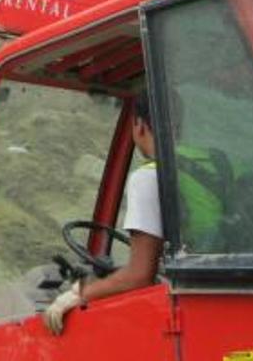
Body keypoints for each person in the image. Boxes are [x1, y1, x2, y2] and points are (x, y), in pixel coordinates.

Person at [43, 90, 163, 335]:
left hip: (172, 304)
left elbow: (140, 276)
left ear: (139, 126)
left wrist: (80, 294)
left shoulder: (148, 177)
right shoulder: (211, 164)